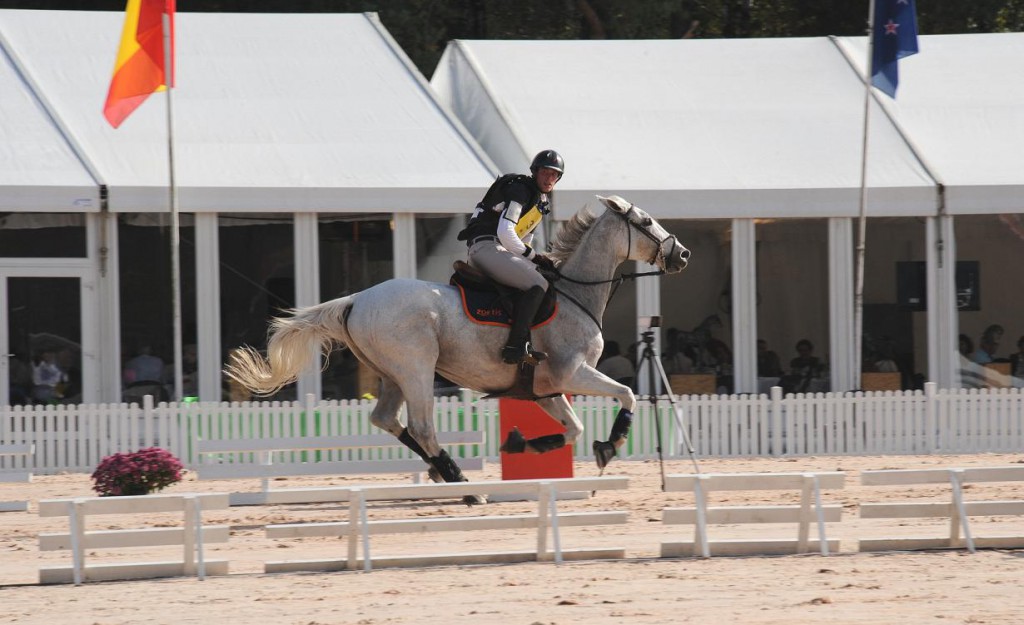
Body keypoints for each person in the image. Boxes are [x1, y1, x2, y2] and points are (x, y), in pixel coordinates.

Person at [457, 149, 564, 365]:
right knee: (538, 283)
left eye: (554, 175)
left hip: (497, 249)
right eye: (545, 172)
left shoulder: (540, 201)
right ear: (535, 172)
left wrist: (533, 258)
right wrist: (534, 257)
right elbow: (505, 232)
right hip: (488, 246)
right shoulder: (522, 189)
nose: (549, 178)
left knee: (537, 277)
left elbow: (525, 240)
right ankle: (516, 345)